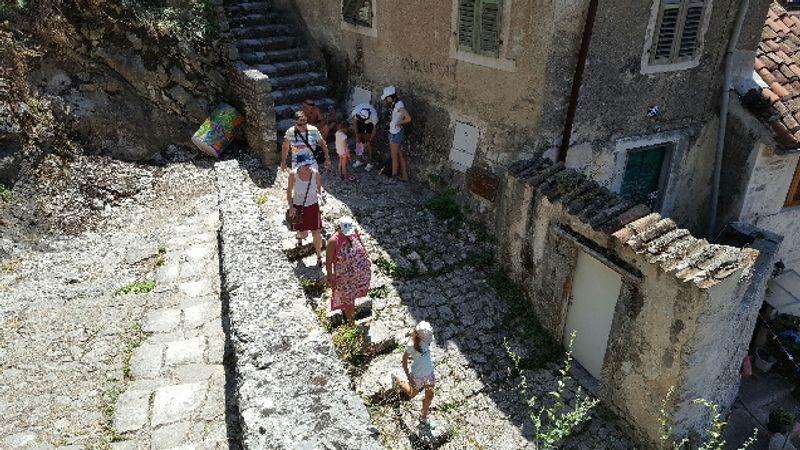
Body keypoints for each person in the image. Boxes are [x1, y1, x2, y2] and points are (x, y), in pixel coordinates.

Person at [325, 216, 371, 325]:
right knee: (348, 301)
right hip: (344, 278)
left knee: (353, 296)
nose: (348, 233)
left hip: (359, 273)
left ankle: (349, 317)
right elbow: (328, 261)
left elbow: (360, 242)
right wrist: (329, 276)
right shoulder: (333, 241)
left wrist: (367, 256)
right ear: (338, 228)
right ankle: (351, 322)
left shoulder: (353, 231)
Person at [392, 321, 437, 429]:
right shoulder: (411, 346)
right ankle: (396, 377)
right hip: (417, 375)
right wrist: (408, 376)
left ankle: (424, 417)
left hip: (429, 373)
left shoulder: (426, 340)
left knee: (430, 395)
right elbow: (404, 360)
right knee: (412, 394)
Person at [286, 153, 324, 265]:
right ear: (299, 165)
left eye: (308, 164)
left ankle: (319, 257)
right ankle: (299, 236)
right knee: (304, 234)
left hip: (313, 207)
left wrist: (321, 199)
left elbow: (319, 190)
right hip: (299, 208)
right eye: (305, 164)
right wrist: (291, 207)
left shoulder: (315, 174)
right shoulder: (293, 175)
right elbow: (288, 192)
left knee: (316, 233)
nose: (307, 166)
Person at [381, 85, 411, 184]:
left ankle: (393, 178)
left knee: (394, 157)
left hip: (395, 133)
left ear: (390, 96)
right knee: (400, 154)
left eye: (386, 98)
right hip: (396, 132)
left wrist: (399, 123)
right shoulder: (397, 104)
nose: (386, 100)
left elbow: (408, 118)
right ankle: (404, 176)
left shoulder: (398, 105)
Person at [349, 102, 379, 171]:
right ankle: (359, 160)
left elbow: (375, 129)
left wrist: (370, 140)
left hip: (369, 123)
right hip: (360, 121)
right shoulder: (356, 111)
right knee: (358, 140)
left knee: (368, 142)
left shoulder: (374, 116)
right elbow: (355, 123)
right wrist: (357, 135)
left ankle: (370, 163)